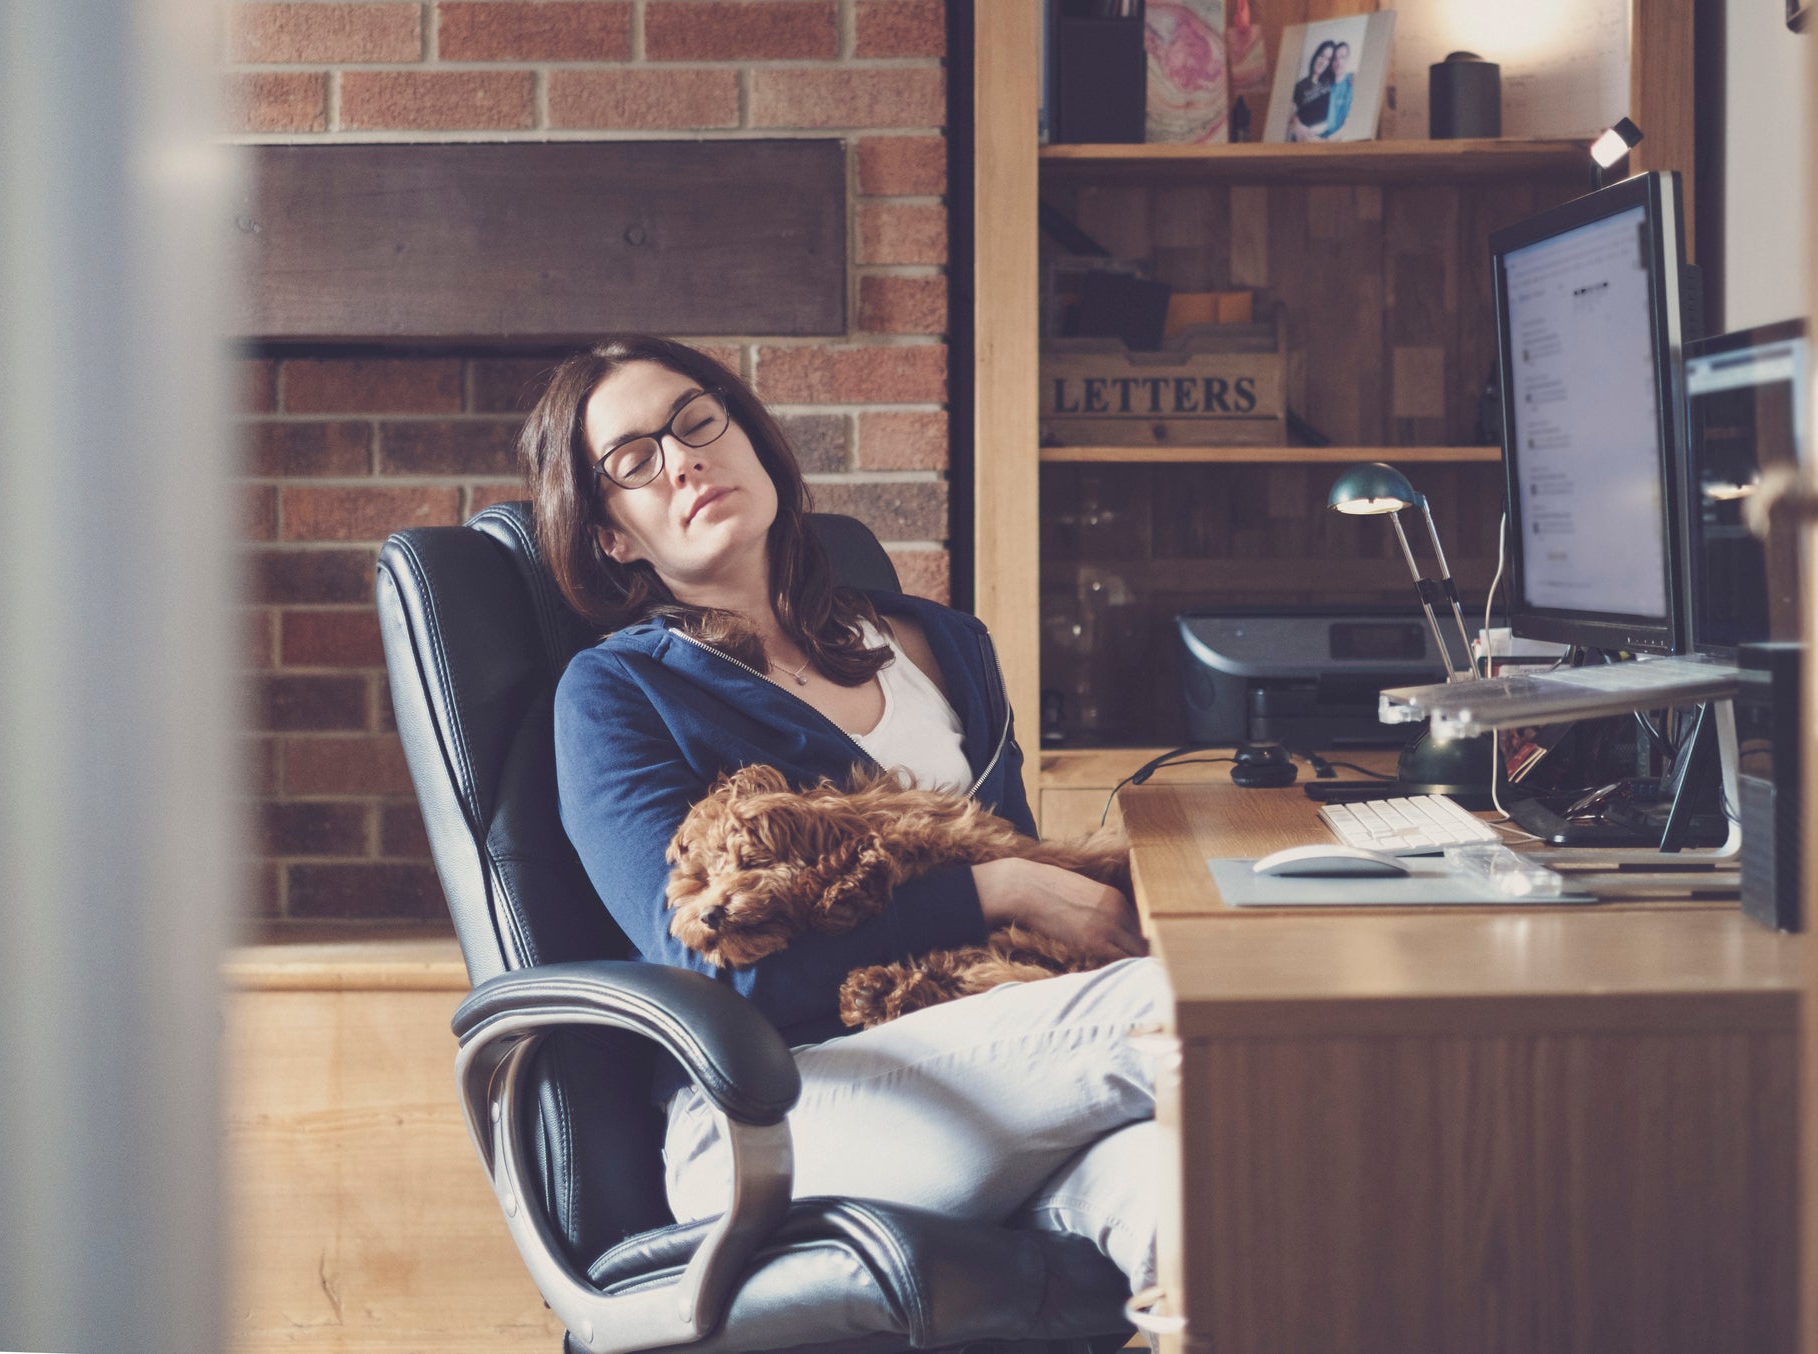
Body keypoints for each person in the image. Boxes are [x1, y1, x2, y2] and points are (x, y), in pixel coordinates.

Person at [527, 336, 1171, 1295]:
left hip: (996, 1056)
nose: (683, 459)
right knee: (1190, 1011)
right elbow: (714, 973)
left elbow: (1022, 883)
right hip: (774, 1111)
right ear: (614, 535)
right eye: (633, 462)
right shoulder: (617, 693)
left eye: (697, 421)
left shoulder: (941, 644)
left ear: (751, 439)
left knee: (1188, 1192)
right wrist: (994, 891)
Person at [1284, 39, 1337, 141]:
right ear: (1316, 56)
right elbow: (1291, 114)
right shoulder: (1300, 86)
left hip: (1330, 134)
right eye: (1322, 56)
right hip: (1309, 137)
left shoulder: (1331, 81)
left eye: (1328, 59)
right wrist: (1298, 126)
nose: (1323, 62)